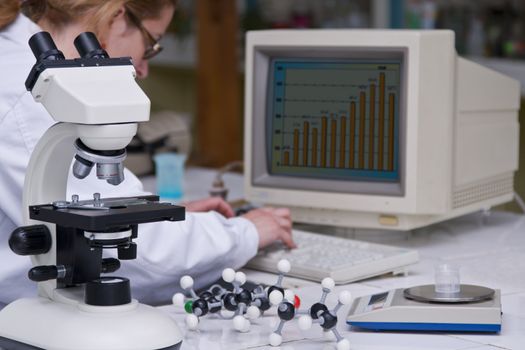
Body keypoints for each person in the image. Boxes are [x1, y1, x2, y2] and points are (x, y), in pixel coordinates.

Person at [0, 0, 294, 305]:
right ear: (116, 18)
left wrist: (170, 220)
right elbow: (145, 261)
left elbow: (94, 208)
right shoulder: (27, 92)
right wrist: (246, 232)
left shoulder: (14, 60)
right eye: (151, 44)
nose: (142, 69)